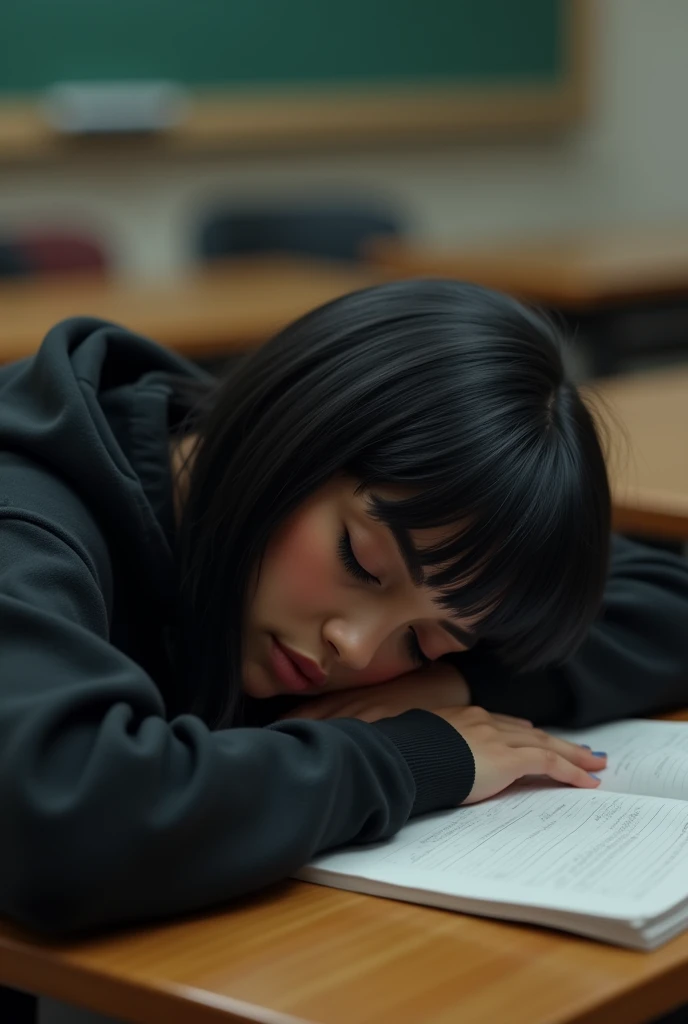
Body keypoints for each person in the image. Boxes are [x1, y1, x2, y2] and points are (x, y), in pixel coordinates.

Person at [0, 280, 686, 953]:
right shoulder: (28, 513)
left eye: (421, 641)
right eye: (359, 562)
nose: (355, 650)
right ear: (294, 433)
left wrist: (455, 686)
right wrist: (416, 755)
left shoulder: (396, 530)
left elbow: (671, 597)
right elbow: (60, 814)